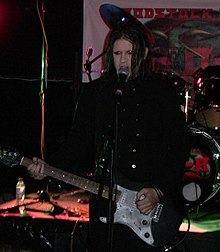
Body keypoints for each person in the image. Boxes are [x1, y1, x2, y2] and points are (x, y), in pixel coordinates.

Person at [27, 19, 190, 252]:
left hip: (150, 200)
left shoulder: (162, 92)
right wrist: (48, 167)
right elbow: (76, 143)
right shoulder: (96, 93)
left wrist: (158, 190)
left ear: (143, 54)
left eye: (129, 53)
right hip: (106, 201)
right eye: (117, 53)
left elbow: (179, 148)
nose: (123, 60)